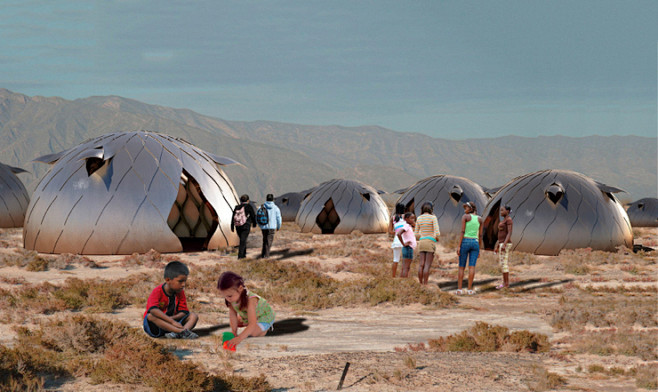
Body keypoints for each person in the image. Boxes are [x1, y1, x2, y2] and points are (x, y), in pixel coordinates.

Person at [217, 271, 275, 350]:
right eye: (225, 296)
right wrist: (234, 332)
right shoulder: (231, 299)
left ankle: (266, 329)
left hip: (264, 317)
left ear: (240, 288)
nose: (228, 299)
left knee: (253, 332)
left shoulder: (251, 300)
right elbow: (232, 315)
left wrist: (239, 338)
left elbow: (252, 323)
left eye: (229, 296)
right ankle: (246, 322)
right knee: (236, 323)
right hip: (248, 316)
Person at [143, 261, 199, 339]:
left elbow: (184, 311)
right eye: (180, 281)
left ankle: (177, 333)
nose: (183, 285)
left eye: (184, 281)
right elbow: (153, 310)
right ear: (168, 280)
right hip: (158, 325)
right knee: (150, 316)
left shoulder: (180, 292)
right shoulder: (157, 291)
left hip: (173, 322)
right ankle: (181, 332)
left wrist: (172, 320)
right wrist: (171, 321)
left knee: (193, 316)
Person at [456, 201, 484, 295]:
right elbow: (480, 235)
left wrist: (459, 245)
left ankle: (459, 289)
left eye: (466, 208)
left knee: (461, 267)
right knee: (472, 267)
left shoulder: (465, 217)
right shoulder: (480, 219)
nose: (465, 210)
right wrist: (479, 248)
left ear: (471, 209)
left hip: (465, 241)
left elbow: (462, 232)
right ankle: (470, 290)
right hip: (475, 243)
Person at [414, 201, 440, 285]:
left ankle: (420, 283)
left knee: (421, 264)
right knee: (427, 265)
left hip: (421, 242)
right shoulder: (433, 218)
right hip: (430, 242)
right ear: (431, 209)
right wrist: (436, 239)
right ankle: (425, 284)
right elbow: (437, 233)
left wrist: (422, 236)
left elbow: (416, 234)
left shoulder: (419, 218)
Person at [231, 194, 257, 259]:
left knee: (243, 240)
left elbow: (233, 217)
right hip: (246, 226)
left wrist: (232, 226)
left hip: (238, 226)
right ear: (248, 200)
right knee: (243, 240)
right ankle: (240, 256)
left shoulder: (237, 207)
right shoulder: (249, 207)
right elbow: (253, 216)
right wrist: (254, 224)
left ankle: (243, 255)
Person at [494, 205, 513, 289]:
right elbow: (500, 235)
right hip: (502, 243)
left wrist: (504, 244)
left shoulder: (509, 220)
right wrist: (498, 245)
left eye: (502, 210)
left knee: (504, 264)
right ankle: (504, 283)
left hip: (506, 244)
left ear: (507, 211)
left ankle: (506, 284)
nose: (501, 212)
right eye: (500, 210)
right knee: (502, 264)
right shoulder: (503, 220)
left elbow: (509, 233)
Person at [258, 194, 282, 258]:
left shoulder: (261, 207)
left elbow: (257, 217)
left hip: (264, 227)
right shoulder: (276, 208)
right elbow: (279, 218)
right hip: (272, 227)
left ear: (266, 199)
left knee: (265, 241)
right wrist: (278, 226)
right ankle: (266, 256)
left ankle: (263, 255)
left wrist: (260, 226)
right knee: (269, 242)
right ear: (272, 199)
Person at [396, 212, 417, 278]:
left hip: (408, 248)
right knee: (406, 267)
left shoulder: (409, 226)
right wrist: (403, 244)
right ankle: (405, 281)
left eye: (414, 218)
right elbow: (399, 233)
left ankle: (402, 281)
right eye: (411, 218)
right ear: (406, 219)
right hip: (408, 248)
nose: (413, 220)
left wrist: (413, 223)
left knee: (405, 267)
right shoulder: (406, 226)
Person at [388, 203, 406, 277]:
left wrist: (396, 232)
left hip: (396, 240)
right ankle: (404, 276)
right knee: (405, 260)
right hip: (405, 240)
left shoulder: (393, 218)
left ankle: (393, 276)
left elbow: (390, 231)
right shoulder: (405, 217)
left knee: (395, 260)